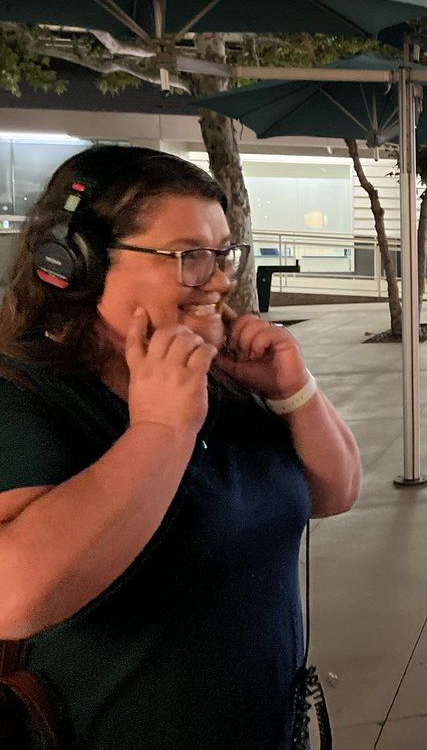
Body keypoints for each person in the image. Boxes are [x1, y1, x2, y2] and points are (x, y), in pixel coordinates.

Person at [0, 145, 360, 749]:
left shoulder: (221, 375)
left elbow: (336, 492)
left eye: (223, 253)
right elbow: (16, 598)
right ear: (77, 264)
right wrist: (161, 432)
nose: (220, 279)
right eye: (190, 256)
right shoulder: (26, 395)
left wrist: (294, 392)